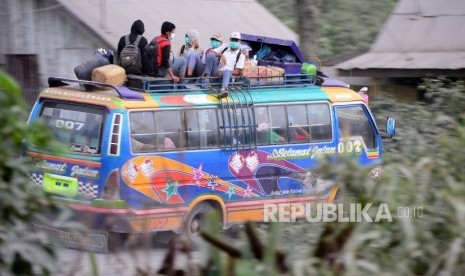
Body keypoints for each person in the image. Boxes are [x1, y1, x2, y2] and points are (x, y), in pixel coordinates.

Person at [204, 32, 246, 98]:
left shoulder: (241, 56)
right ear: (230, 40)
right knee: (210, 56)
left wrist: (224, 72)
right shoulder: (224, 49)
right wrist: (220, 55)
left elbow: (237, 71)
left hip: (228, 77)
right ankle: (206, 79)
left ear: (239, 41)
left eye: (236, 40)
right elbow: (210, 51)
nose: (234, 41)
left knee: (227, 71)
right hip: (217, 74)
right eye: (232, 40)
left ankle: (223, 90)